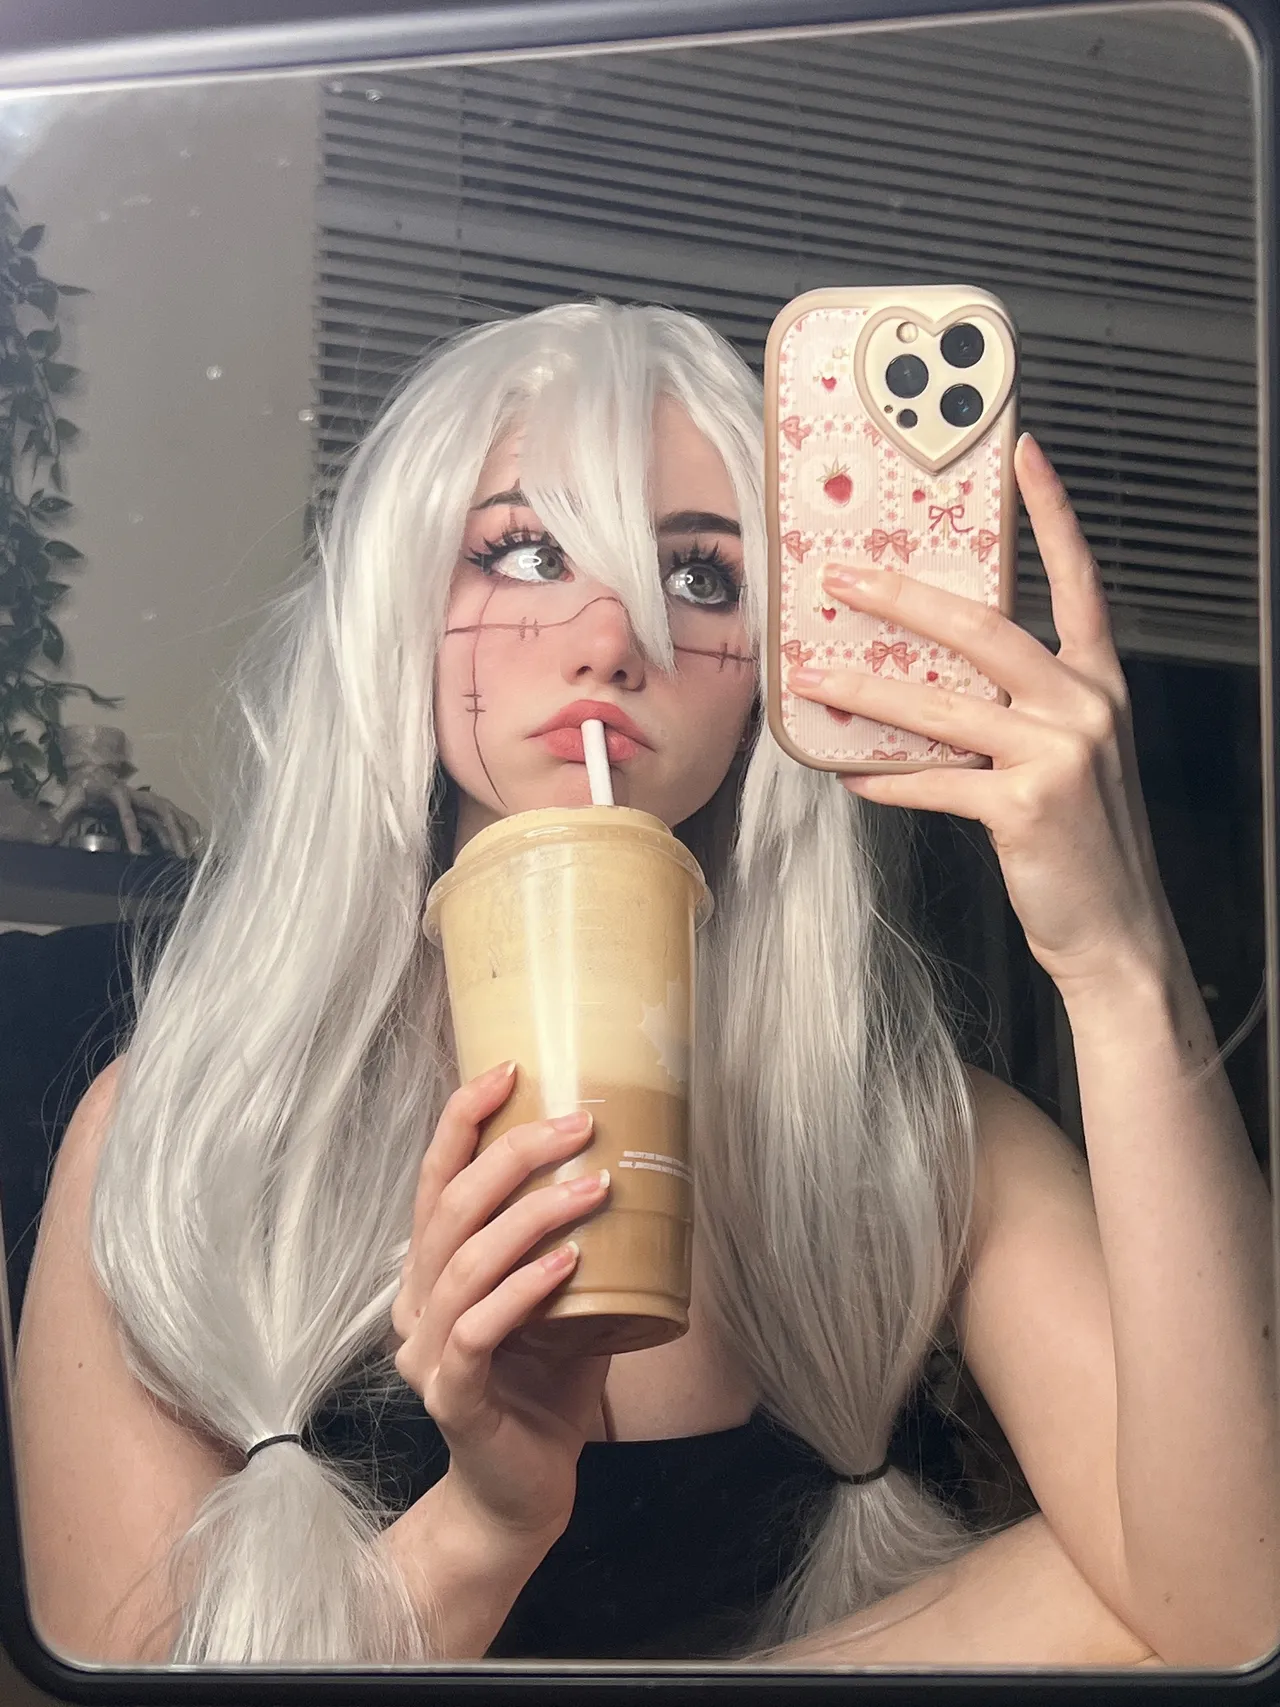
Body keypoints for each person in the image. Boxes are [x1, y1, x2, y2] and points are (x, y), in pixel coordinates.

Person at [12, 302, 1277, 1669]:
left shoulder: (919, 1150)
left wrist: (1117, 960)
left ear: (774, 678)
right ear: (398, 610)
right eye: (526, 551)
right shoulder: (184, 1143)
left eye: (703, 577)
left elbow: (1241, 1608)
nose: (612, 639)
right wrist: (484, 1526)